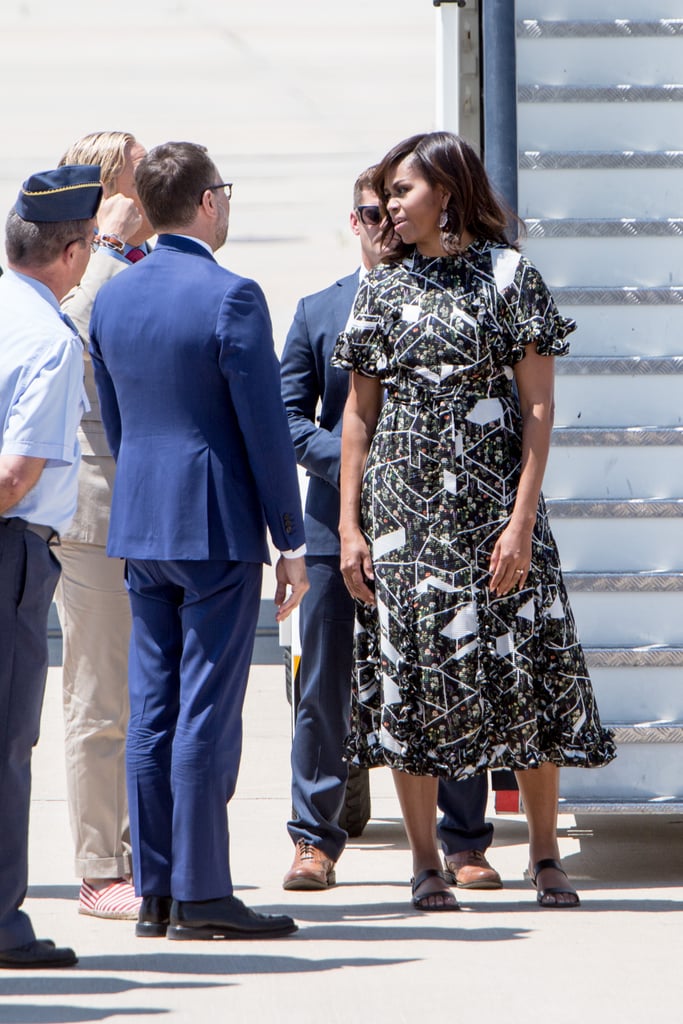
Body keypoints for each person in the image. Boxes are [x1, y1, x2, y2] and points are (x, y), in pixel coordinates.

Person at [333, 132, 616, 912]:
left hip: (495, 510)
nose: (389, 205)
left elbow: (537, 409)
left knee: (522, 671)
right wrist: (349, 528)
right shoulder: (381, 289)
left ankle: (546, 856)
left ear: (448, 195)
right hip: (401, 516)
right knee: (413, 683)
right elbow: (358, 418)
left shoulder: (508, 276)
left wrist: (521, 523)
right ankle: (426, 862)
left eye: (402, 191)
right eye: (386, 193)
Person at [89, 141, 309, 941]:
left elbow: (118, 424)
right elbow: (265, 431)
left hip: (141, 518)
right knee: (206, 712)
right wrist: (290, 538)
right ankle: (203, 891)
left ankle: (154, 890)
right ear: (208, 203)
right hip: (212, 523)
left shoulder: (111, 297)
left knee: (152, 707)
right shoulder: (231, 295)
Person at [280, 168, 501, 892]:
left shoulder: (446, 300)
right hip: (331, 528)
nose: (383, 225)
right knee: (325, 687)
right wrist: (364, 468)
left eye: (391, 210)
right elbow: (285, 418)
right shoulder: (319, 311)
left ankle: (464, 841)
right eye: (369, 214)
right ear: (353, 221)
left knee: (446, 677)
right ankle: (314, 841)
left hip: (434, 531)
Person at [0, 164, 102, 967]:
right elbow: (15, 476)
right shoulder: (46, 336)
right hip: (10, 550)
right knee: (6, 739)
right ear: (70, 253)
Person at [54, 131, 154, 922]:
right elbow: (70, 336)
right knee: (100, 696)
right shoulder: (76, 265)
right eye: (137, 172)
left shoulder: (146, 261)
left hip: (159, 507)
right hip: (94, 512)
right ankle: (99, 864)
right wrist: (110, 242)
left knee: (157, 694)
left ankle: (151, 848)